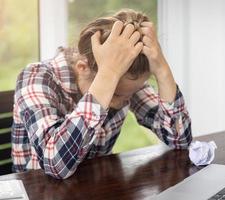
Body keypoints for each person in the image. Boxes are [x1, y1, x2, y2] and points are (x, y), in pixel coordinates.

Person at [12, 9, 192, 179]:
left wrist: (162, 69)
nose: (123, 102)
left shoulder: (125, 83)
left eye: (128, 96)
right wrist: (108, 75)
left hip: (95, 185)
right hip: (39, 188)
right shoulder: (37, 77)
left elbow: (179, 139)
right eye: (115, 94)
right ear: (82, 68)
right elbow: (54, 164)